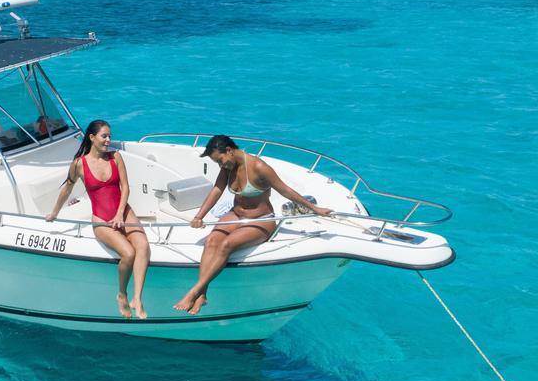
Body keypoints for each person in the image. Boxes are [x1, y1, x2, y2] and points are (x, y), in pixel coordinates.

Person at [174, 135, 332, 315]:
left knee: (226, 244)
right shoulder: (228, 166)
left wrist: (315, 209)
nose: (220, 165)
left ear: (229, 151)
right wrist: (199, 216)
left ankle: (195, 291)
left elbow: (285, 190)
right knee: (211, 241)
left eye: (220, 160)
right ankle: (203, 295)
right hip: (236, 214)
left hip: (261, 219)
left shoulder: (259, 167)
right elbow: (217, 190)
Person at [45, 119, 150, 319]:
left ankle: (137, 297)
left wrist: (120, 213)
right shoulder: (79, 164)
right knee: (128, 253)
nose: (108, 140)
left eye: (110, 136)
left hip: (123, 211)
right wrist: (54, 213)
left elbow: (126, 187)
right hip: (101, 219)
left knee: (143, 246)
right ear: (92, 138)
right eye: (104, 136)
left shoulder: (116, 157)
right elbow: (67, 189)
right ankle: (122, 294)